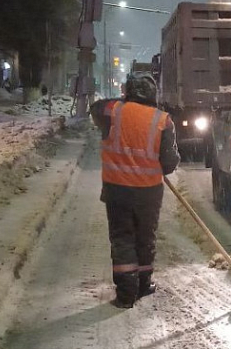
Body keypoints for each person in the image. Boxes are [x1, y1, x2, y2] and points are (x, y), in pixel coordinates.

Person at [91, 73, 180, 308]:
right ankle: (143, 284)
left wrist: (122, 101)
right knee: (145, 237)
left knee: (122, 238)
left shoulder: (112, 111)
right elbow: (170, 163)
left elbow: (95, 108)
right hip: (148, 193)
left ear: (128, 91)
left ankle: (126, 294)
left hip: (117, 190)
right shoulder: (163, 120)